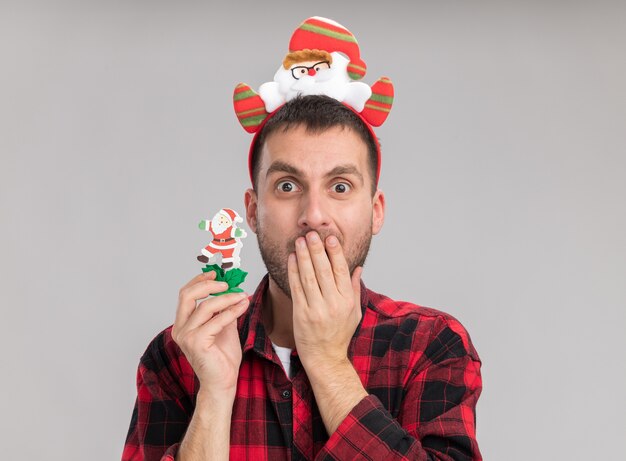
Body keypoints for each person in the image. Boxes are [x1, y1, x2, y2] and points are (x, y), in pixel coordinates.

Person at [123, 16, 482, 461]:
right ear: (253, 211)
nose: (314, 216)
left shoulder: (431, 344)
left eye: (340, 187)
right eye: (288, 186)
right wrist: (214, 397)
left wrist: (329, 363)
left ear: (375, 213)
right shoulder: (179, 357)